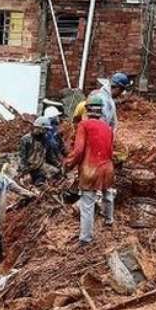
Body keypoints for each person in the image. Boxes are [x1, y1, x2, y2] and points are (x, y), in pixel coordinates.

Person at [64, 95, 115, 245]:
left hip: (90, 169)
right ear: (101, 111)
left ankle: (85, 238)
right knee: (108, 193)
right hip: (107, 167)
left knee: (87, 204)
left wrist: (69, 163)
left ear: (87, 109)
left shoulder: (84, 125)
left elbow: (79, 150)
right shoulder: (108, 128)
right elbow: (111, 151)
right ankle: (109, 219)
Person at [17, 118, 57, 184]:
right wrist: (25, 172)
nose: (46, 132)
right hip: (28, 168)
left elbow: (50, 156)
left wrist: (59, 165)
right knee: (28, 181)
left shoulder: (45, 139)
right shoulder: (26, 139)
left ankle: (39, 181)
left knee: (56, 173)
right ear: (38, 127)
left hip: (39, 166)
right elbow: (22, 158)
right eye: (45, 129)